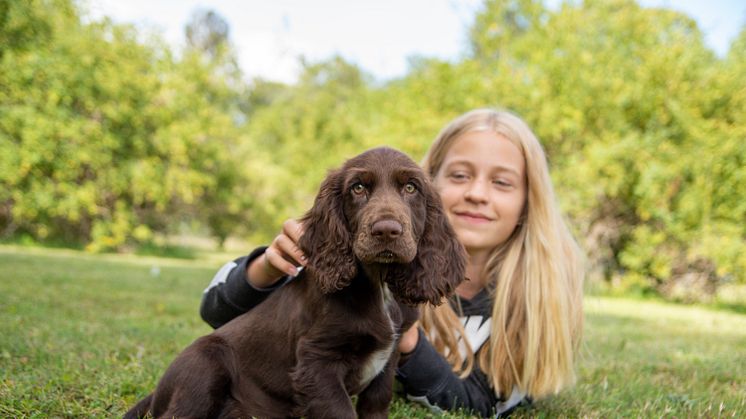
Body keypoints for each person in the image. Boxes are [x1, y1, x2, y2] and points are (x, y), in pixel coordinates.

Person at [200, 108, 584, 417]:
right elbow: (223, 323)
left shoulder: (538, 300)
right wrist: (267, 269)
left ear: (527, 203)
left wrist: (407, 339)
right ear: (430, 183)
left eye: (502, 182)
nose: (477, 193)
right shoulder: (354, 253)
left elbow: (480, 405)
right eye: (460, 175)